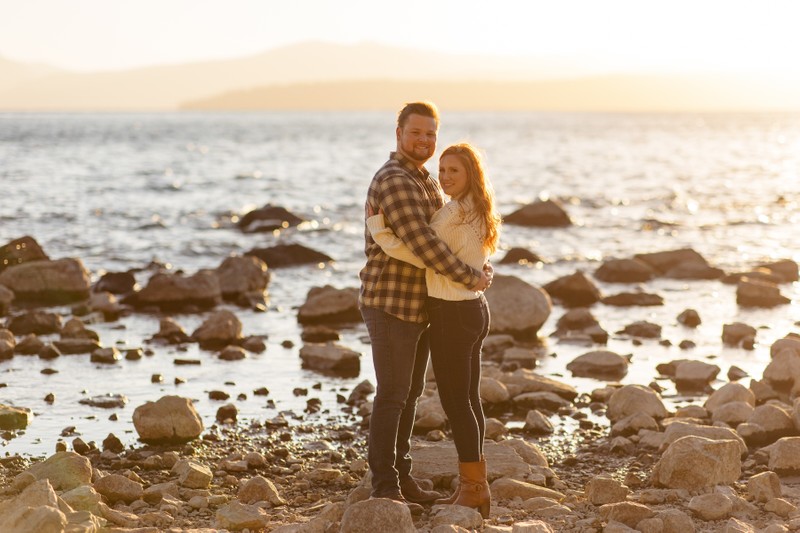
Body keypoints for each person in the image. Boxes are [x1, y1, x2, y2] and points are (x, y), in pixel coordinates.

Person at [359, 102, 492, 510]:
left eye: (430, 134)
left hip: (423, 305)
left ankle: (403, 478)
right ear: (398, 132)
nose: (424, 141)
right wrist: (470, 276)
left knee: (411, 394)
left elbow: (453, 239)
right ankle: (384, 486)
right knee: (393, 395)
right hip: (391, 304)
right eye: (416, 132)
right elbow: (424, 245)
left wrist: (475, 264)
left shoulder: (428, 181)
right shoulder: (396, 180)